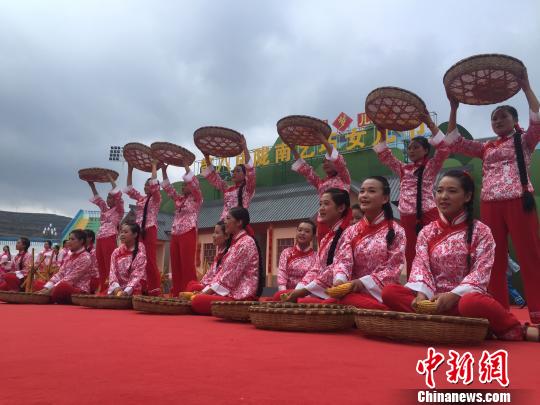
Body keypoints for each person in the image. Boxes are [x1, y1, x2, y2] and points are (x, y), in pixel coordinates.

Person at [382, 170, 538, 341]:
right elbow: (420, 266)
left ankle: (515, 328)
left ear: (467, 196)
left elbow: (481, 272)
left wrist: (454, 295)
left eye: (452, 191)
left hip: (462, 300)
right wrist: (422, 294)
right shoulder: (427, 232)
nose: (443, 196)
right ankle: (462, 325)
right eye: (440, 191)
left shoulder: (482, 231)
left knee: (472, 303)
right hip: (431, 300)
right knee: (390, 292)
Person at [444, 69, 540, 324]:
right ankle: (498, 313)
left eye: (502, 117)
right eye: (494, 118)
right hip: (490, 205)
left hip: (519, 200)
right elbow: (454, 141)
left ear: (514, 119)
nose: (497, 121)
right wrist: (453, 108)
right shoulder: (486, 147)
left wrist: (526, 88)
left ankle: (538, 314)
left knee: (529, 255)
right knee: (492, 259)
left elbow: (537, 117)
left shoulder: (525, 140)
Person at [374, 111, 449, 274]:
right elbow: (384, 155)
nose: (411, 150)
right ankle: (414, 286)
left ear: (425, 151)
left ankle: (438, 283)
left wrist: (429, 123)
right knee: (411, 252)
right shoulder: (403, 168)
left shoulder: (430, 166)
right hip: (407, 215)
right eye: (409, 148)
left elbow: (444, 148)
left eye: (416, 147)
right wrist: (382, 133)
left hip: (428, 212)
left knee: (433, 248)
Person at [329, 177, 406, 309]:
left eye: (371, 191)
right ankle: (380, 313)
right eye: (362, 191)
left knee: (390, 294)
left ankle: (380, 311)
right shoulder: (350, 231)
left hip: (380, 293)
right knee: (337, 300)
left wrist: (361, 283)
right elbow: (343, 261)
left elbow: (392, 269)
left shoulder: (397, 231)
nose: (364, 195)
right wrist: (340, 280)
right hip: (353, 293)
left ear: (385, 198)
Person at [275, 188, 350, 303]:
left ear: (341, 208)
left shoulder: (348, 233)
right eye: (320, 204)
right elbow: (315, 270)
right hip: (310, 289)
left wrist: (303, 291)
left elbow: (341, 264)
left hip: (333, 288)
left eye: (326, 204)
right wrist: (298, 290)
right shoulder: (326, 239)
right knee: (281, 295)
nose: (321, 208)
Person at [190, 207, 264, 315]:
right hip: (229, 291)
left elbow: (229, 278)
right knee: (194, 291)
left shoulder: (245, 243)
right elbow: (221, 274)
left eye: (228, 218)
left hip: (240, 296)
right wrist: (204, 291)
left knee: (197, 301)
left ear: (239, 222)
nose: (225, 221)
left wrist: (204, 293)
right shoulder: (236, 243)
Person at [287, 133, 351, 243]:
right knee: (324, 248)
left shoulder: (344, 178)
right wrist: (293, 149)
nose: (325, 163)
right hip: (323, 220)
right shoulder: (320, 182)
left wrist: (323, 140)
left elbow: (339, 162)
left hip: (340, 219)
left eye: (329, 161)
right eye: (323, 161)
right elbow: (306, 170)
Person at [162, 164, 203, 295]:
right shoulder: (179, 200)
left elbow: (195, 184)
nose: (183, 186)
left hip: (188, 232)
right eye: (183, 185)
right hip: (175, 233)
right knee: (175, 264)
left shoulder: (197, 198)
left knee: (187, 264)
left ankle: (190, 292)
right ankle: (177, 293)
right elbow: (169, 189)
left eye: (186, 184)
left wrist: (185, 165)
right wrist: (163, 170)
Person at [124, 159, 161, 296]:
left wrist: (154, 166)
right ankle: (140, 287)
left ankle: (154, 289)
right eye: (145, 185)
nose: (146, 187)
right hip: (138, 231)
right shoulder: (141, 199)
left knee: (150, 259)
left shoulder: (157, 198)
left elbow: (154, 186)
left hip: (150, 229)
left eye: (148, 185)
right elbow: (128, 189)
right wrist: (130, 169)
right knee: (138, 258)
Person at [202, 138, 255, 220]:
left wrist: (244, 147)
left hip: (237, 225)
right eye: (233, 171)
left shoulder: (247, 189)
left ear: (245, 175)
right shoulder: (227, 188)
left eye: (238, 171)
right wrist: (206, 157)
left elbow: (250, 170)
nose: (234, 173)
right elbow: (215, 177)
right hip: (223, 225)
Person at [88, 175, 124, 292]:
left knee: (110, 265)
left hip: (110, 237)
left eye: (111, 198)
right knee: (101, 265)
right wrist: (92, 185)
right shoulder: (105, 209)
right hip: (100, 238)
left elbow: (119, 195)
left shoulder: (119, 210)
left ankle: (113, 289)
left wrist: (111, 180)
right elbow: (99, 200)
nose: (108, 200)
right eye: (108, 198)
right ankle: (104, 289)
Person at [35, 230, 93, 304]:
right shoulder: (69, 256)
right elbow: (60, 273)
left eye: (72, 239)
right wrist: (46, 288)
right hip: (62, 285)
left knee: (62, 287)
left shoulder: (86, 258)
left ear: (81, 241)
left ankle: (48, 297)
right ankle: (49, 296)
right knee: (37, 284)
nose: (69, 242)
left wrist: (49, 290)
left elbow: (71, 279)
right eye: (69, 239)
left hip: (78, 290)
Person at [182, 220, 230, 294]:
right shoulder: (220, 252)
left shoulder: (229, 254)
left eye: (217, 233)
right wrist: (202, 284)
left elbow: (220, 280)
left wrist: (203, 291)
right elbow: (209, 276)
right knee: (192, 284)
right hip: (210, 285)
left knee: (193, 288)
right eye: (214, 232)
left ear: (226, 236)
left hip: (219, 289)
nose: (213, 235)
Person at [277, 220, 318, 291]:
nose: (302, 233)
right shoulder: (286, 252)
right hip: (287, 293)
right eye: (300, 230)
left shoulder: (317, 257)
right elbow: (282, 274)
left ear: (313, 237)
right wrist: (283, 292)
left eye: (307, 231)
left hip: (306, 294)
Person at [107, 223, 147, 296]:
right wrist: (116, 288)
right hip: (117, 289)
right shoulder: (116, 252)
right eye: (121, 232)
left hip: (132, 290)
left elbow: (136, 276)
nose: (122, 234)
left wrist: (126, 292)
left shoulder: (140, 255)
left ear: (135, 235)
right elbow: (112, 272)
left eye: (125, 232)